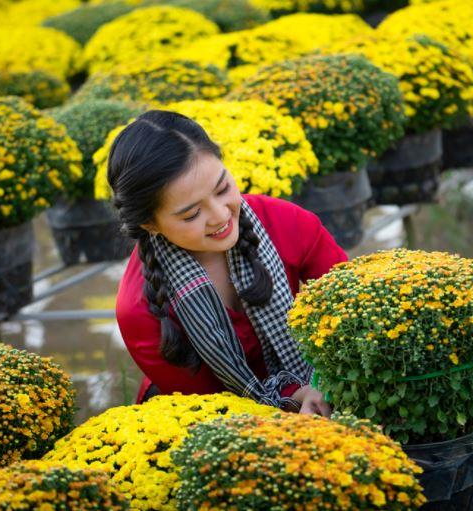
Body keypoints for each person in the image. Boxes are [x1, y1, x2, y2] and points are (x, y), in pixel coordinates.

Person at [108, 110, 347, 417]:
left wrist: (323, 383)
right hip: (208, 419)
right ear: (150, 224)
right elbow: (212, 406)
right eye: (192, 214)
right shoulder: (139, 309)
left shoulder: (287, 222)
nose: (221, 215)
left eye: (222, 189)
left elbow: (350, 309)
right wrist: (294, 396)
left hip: (321, 388)